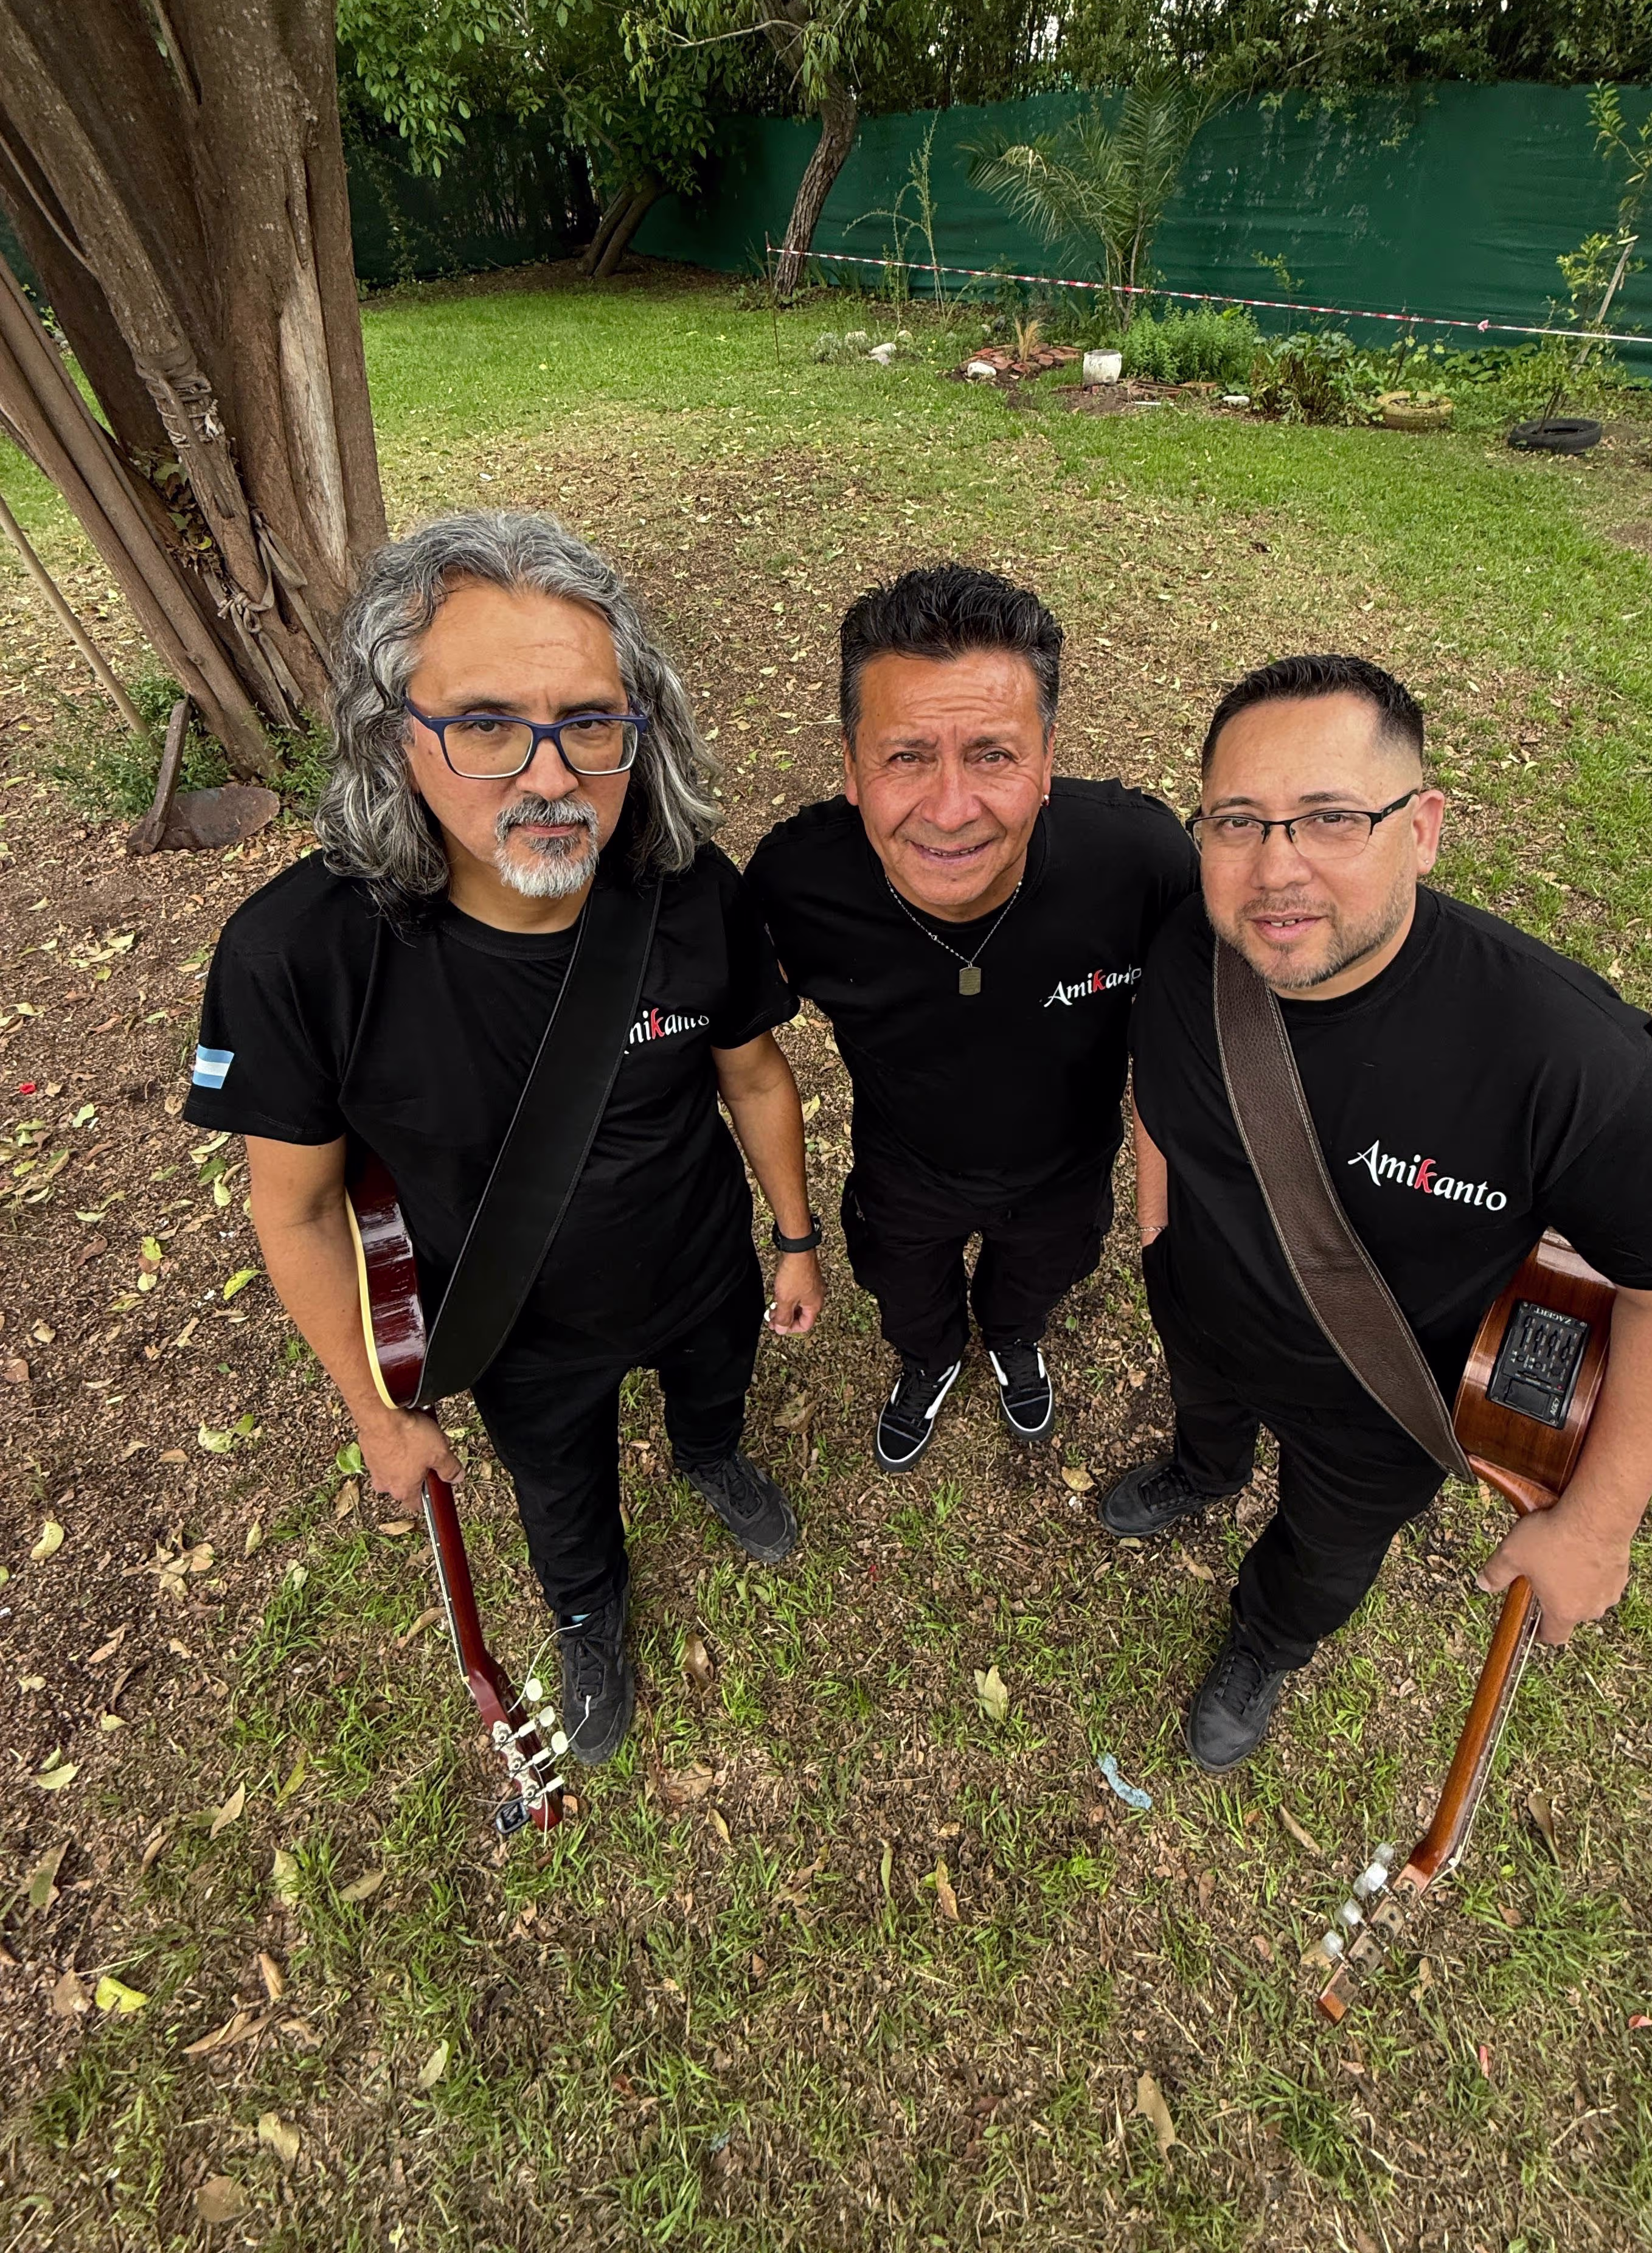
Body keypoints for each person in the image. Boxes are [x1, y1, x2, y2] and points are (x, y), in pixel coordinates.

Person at [182, 512, 824, 1768]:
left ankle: (713, 1459)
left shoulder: (692, 890)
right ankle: (590, 1614)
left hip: (704, 1266)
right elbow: (299, 1210)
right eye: (483, 726)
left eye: (590, 723)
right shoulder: (299, 957)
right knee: (561, 1492)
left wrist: (795, 1239)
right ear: (391, 736)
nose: (548, 776)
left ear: (642, 729)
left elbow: (753, 1076)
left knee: (715, 1391)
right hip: (515, 1328)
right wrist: (376, 1416)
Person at [1109, 652, 1652, 1771]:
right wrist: (1158, 1227)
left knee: (1322, 1552)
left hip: (1375, 1403)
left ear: (1421, 827)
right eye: (1238, 822)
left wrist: (1597, 1526)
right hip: (1200, 1305)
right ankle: (1204, 1469)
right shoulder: (1188, 950)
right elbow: (1160, 1097)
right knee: (1204, 1413)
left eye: (1329, 818)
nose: (1277, 871)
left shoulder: (1563, 1055)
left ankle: (1267, 1639)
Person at [745, 564, 1196, 1470]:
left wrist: (1160, 1217)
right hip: (901, 1174)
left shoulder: (1140, 863)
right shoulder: (795, 887)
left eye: (992, 753)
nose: (951, 811)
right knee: (907, 1297)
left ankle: (1011, 1340)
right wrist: (793, 1235)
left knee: (1033, 1286)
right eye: (906, 756)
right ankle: (929, 1359)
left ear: (1047, 758)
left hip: (1066, 1173)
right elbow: (736, 1049)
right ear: (849, 766)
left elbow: (1189, 1045)